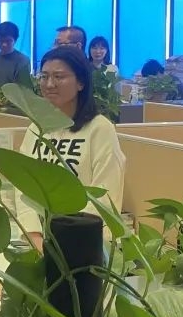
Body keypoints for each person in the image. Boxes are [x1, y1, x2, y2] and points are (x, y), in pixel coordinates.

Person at [18, 47, 125, 247]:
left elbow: (105, 194)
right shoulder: (37, 127)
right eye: (44, 76)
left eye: (59, 77)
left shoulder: (99, 129)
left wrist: (71, 242)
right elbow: (23, 186)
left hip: (84, 243)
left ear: (81, 82)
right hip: (39, 241)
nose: (49, 84)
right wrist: (35, 238)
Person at [0, 21, 33, 85]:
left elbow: (23, 87)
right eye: (1, 41)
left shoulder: (23, 61)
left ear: (15, 40)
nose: (4, 44)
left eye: (8, 41)